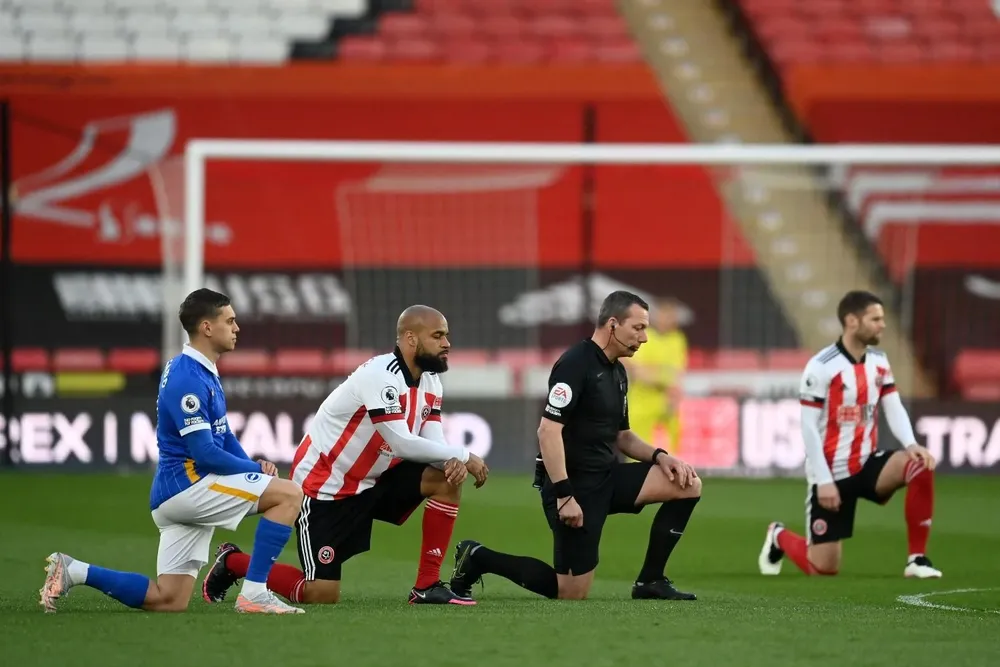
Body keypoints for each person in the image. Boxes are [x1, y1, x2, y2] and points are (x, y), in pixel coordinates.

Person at [202, 305, 489, 606]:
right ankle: (233, 562)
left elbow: (432, 442)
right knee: (321, 594)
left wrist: (452, 461)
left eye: (446, 336)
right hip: (326, 487)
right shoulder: (380, 375)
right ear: (410, 339)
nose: (447, 344)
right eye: (438, 336)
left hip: (375, 479)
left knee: (447, 477)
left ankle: (427, 585)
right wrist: (463, 454)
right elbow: (401, 442)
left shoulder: (431, 382)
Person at [40, 289, 305, 614]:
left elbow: (221, 435)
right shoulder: (187, 378)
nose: (237, 328)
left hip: (174, 495)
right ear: (207, 327)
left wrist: (252, 465)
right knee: (290, 494)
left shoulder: (198, 369)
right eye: (230, 321)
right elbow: (206, 454)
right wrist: (249, 469)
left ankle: (74, 570)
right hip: (190, 486)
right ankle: (254, 594)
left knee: (169, 599)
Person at [449, 290, 703, 602]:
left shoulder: (617, 371)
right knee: (572, 592)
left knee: (687, 484)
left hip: (608, 476)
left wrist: (660, 457)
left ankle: (651, 581)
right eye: (638, 328)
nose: (645, 337)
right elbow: (548, 431)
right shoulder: (575, 365)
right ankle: (478, 557)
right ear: (612, 324)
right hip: (575, 488)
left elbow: (622, 436)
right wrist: (564, 495)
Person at [758, 290, 941, 579]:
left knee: (919, 464)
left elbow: (893, 408)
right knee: (823, 569)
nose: (882, 325)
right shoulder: (822, 366)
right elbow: (808, 427)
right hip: (832, 473)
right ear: (852, 321)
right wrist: (824, 481)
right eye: (875, 319)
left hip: (868, 464)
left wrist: (911, 443)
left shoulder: (879, 361)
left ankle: (916, 560)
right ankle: (778, 535)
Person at [621, 298, 688, 454]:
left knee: (674, 449)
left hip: (666, 400)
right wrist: (663, 376)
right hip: (642, 401)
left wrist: (657, 375)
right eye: (664, 315)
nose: (667, 320)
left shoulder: (678, 339)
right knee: (637, 451)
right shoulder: (644, 336)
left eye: (671, 316)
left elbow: (677, 373)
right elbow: (637, 371)